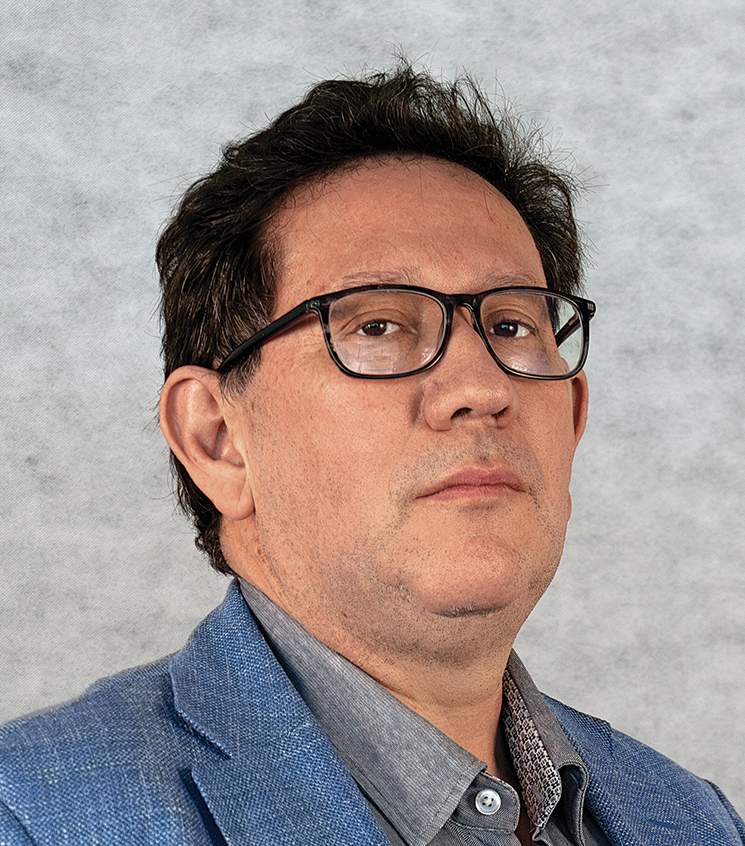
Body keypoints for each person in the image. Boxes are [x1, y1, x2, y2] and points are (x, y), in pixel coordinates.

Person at [0, 64, 742, 846]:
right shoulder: (30, 818)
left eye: (511, 326)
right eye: (377, 327)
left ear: (574, 418)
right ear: (216, 439)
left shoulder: (693, 821)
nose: (480, 387)